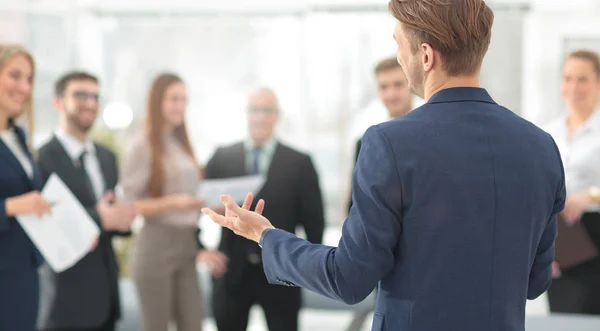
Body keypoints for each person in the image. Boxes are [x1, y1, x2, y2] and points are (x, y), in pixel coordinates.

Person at [202, 1, 566, 330]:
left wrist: (266, 237)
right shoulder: (541, 147)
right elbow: (535, 281)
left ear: (425, 56)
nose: (399, 56)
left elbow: (349, 277)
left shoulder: (390, 143)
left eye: (399, 44)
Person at [204, 87, 324, 331]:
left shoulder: (299, 163)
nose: (260, 116)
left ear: (277, 115)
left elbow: (314, 222)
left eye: (267, 110)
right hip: (231, 271)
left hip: (282, 272)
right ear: (246, 114)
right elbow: (197, 203)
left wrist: (307, 267)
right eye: (254, 110)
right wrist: (200, 249)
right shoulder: (221, 157)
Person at [120, 73, 227, 331]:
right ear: (157, 102)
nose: (180, 106)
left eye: (184, 100)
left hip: (186, 246)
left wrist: (213, 205)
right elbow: (129, 204)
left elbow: (190, 197)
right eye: (174, 99)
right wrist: (175, 203)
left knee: (193, 324)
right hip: (156, 245)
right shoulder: (141, 145)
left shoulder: (181, 145)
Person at [36, 71, 137, 331]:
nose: (90, 103)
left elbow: (111, 210)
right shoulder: (43, 159)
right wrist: (99, 218)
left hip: (106, 291)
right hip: (67, 295)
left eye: (95, 96)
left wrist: (122, 219)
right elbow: (45, 221)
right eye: (80, 95)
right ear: (58, 102)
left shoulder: (106, 156)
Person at [544, 49, 600, 315]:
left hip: (594, 233)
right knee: (563, 314)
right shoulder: (549, 132)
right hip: (562, 238)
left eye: (582, 79)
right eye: (567, 78)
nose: (573, 87)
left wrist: (590, 196)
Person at [0, 43, 51, 331]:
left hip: (24, 274)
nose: (24, 87)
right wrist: (10, 206)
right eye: (15, 75)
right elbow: (16, 203)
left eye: (29, 79)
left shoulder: (18, 136)